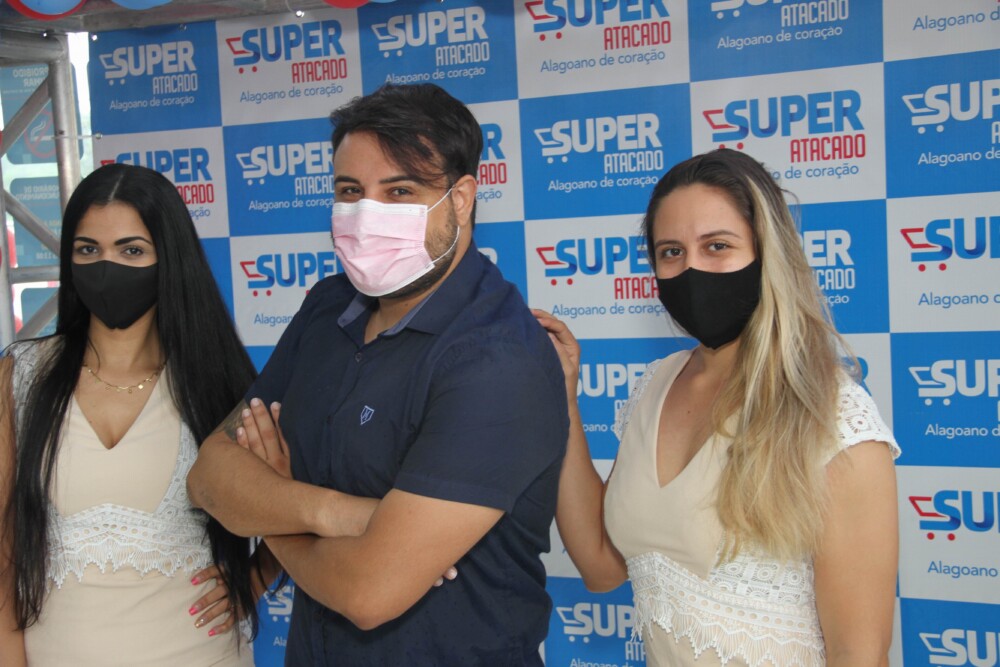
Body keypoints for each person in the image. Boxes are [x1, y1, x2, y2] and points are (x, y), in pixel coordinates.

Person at [187, 83, 569, 665]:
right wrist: (335, 514)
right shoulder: (327, 307)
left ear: (462, 199)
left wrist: (271, 512)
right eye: (350, 191)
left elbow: (369, 593)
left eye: (400, 192)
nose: (367, 215)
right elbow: (210, 476)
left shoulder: (497, 358)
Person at [535, 148, 899, 667]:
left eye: (717, 246)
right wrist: (563, 398)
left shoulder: (833, 415)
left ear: (767, 253)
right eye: (671, 252)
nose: (692, 269)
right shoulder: (654, 386)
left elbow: (858, 653)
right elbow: (600, 566)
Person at [0, 163, 263, 666]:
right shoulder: (22, 377)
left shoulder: (216, 381)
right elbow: (4, 553)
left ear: (170, 257)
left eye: (131, 250)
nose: (107, 267)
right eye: (88, 250)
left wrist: (254, 578)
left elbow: (288, 504)